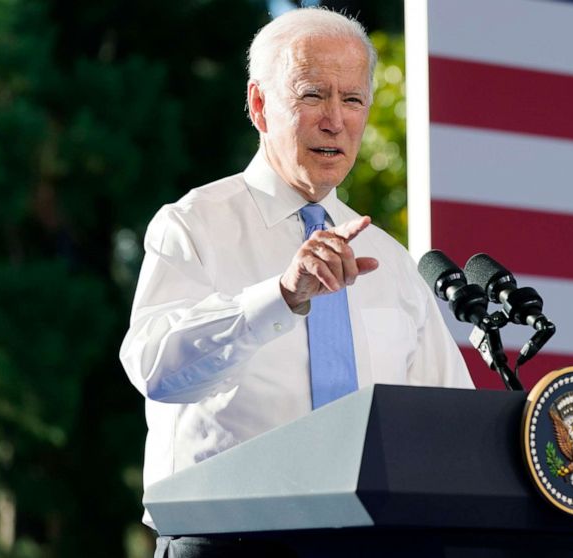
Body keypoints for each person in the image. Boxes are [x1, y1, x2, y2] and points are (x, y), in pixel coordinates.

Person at [119, 8, 473, 557]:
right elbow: (155, 367)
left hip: (375, 542)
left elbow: (449, 421)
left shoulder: (390, 261)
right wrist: (281, 296)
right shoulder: (193, 223)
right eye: (313, 96)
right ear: (260, 105)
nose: (335, 120)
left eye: (352, 100)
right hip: (230, 539)